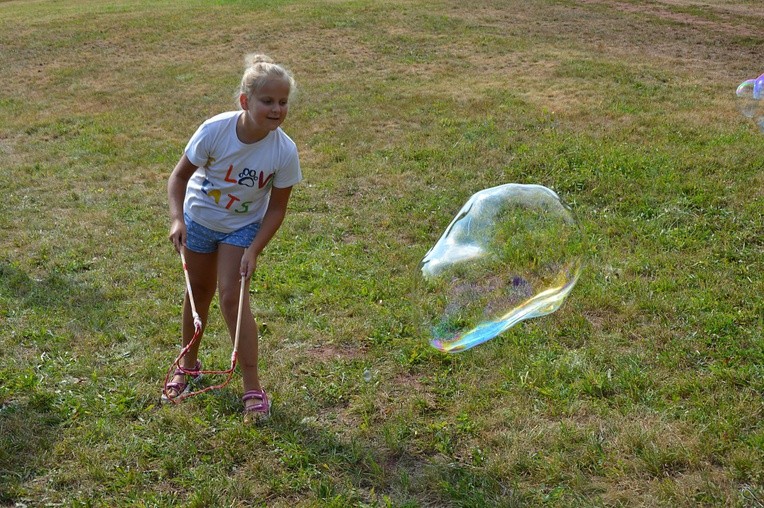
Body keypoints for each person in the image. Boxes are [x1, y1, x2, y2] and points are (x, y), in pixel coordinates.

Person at [162, 53, 301, 421]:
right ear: (245, 101)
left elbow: (276, 208)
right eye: (267, 101)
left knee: (231, 298)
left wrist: (255, 248)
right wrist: (178, 220)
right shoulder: (215, 130)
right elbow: (178, 177)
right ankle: (187, 365)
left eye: (283, 102)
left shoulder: (283, 151)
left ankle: (252, 386)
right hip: (200, 221)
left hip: (241, 228)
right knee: (198, 293)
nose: (276, 109)